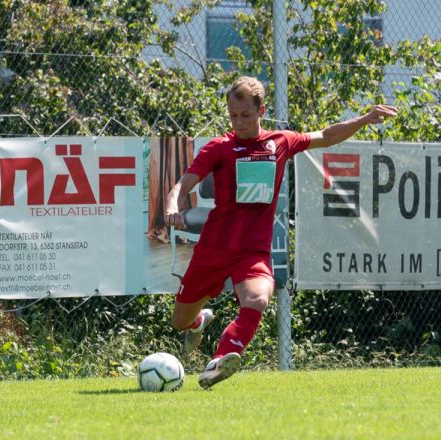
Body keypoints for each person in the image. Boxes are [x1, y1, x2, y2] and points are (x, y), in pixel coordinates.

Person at [164, 76, 398, 389]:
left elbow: (327, 136)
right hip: (214, 249)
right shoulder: (220, 147)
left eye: (246, 115)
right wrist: (171, 208)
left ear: (261, 111)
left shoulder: (280, 142)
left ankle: (219, 361)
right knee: (179, 322)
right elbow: (183, 185)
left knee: (258, 298)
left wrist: (366, 119)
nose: (239, 122)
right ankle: (198, 321)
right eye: (233, 116)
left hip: (253, 252)